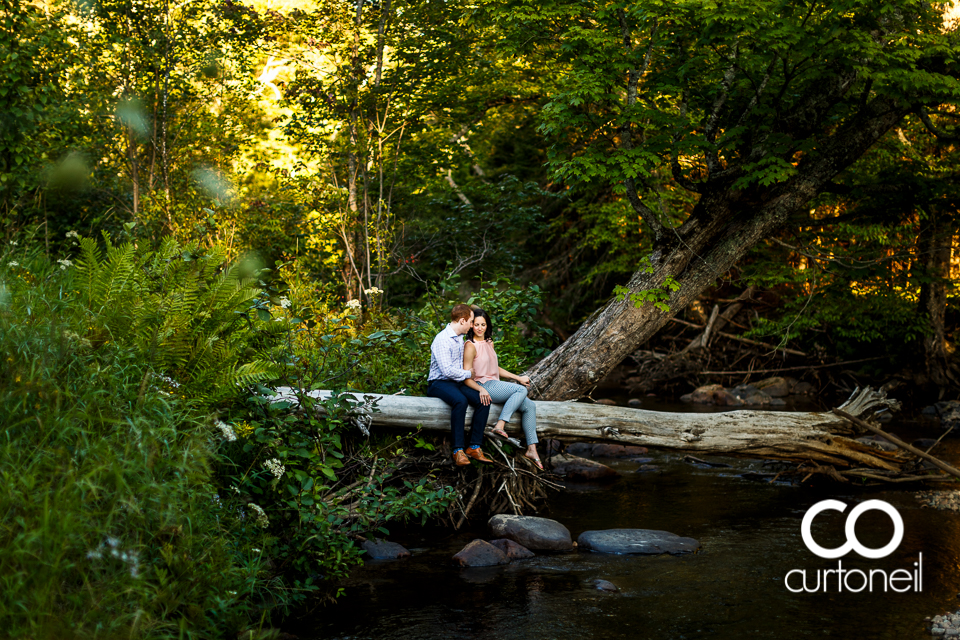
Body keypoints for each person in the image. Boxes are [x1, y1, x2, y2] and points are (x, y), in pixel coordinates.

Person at [461, 307, 543, 470]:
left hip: (496, 384)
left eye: (483, 324)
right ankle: (500, 425)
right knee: (520, 390)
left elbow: (494, 368)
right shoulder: (470, 346)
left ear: (487, 325)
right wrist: (479, 389)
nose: (479, 328)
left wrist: (518, 377)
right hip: (484, 386)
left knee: (530, 406)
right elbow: (466, 376)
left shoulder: (489, 342)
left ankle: (532, 449)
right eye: (476, 324)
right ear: (471, 326)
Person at [426, 303, 494, 466]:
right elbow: (447, 371)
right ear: (462, 321)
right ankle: (458, 450)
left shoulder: (460, 338)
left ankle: (474, 447)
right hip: (438, 383)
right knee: (460, 401)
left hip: (456, 382)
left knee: (483, 400)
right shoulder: (442, 339)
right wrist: (468, 374)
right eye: (471, 321)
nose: (472, 325)